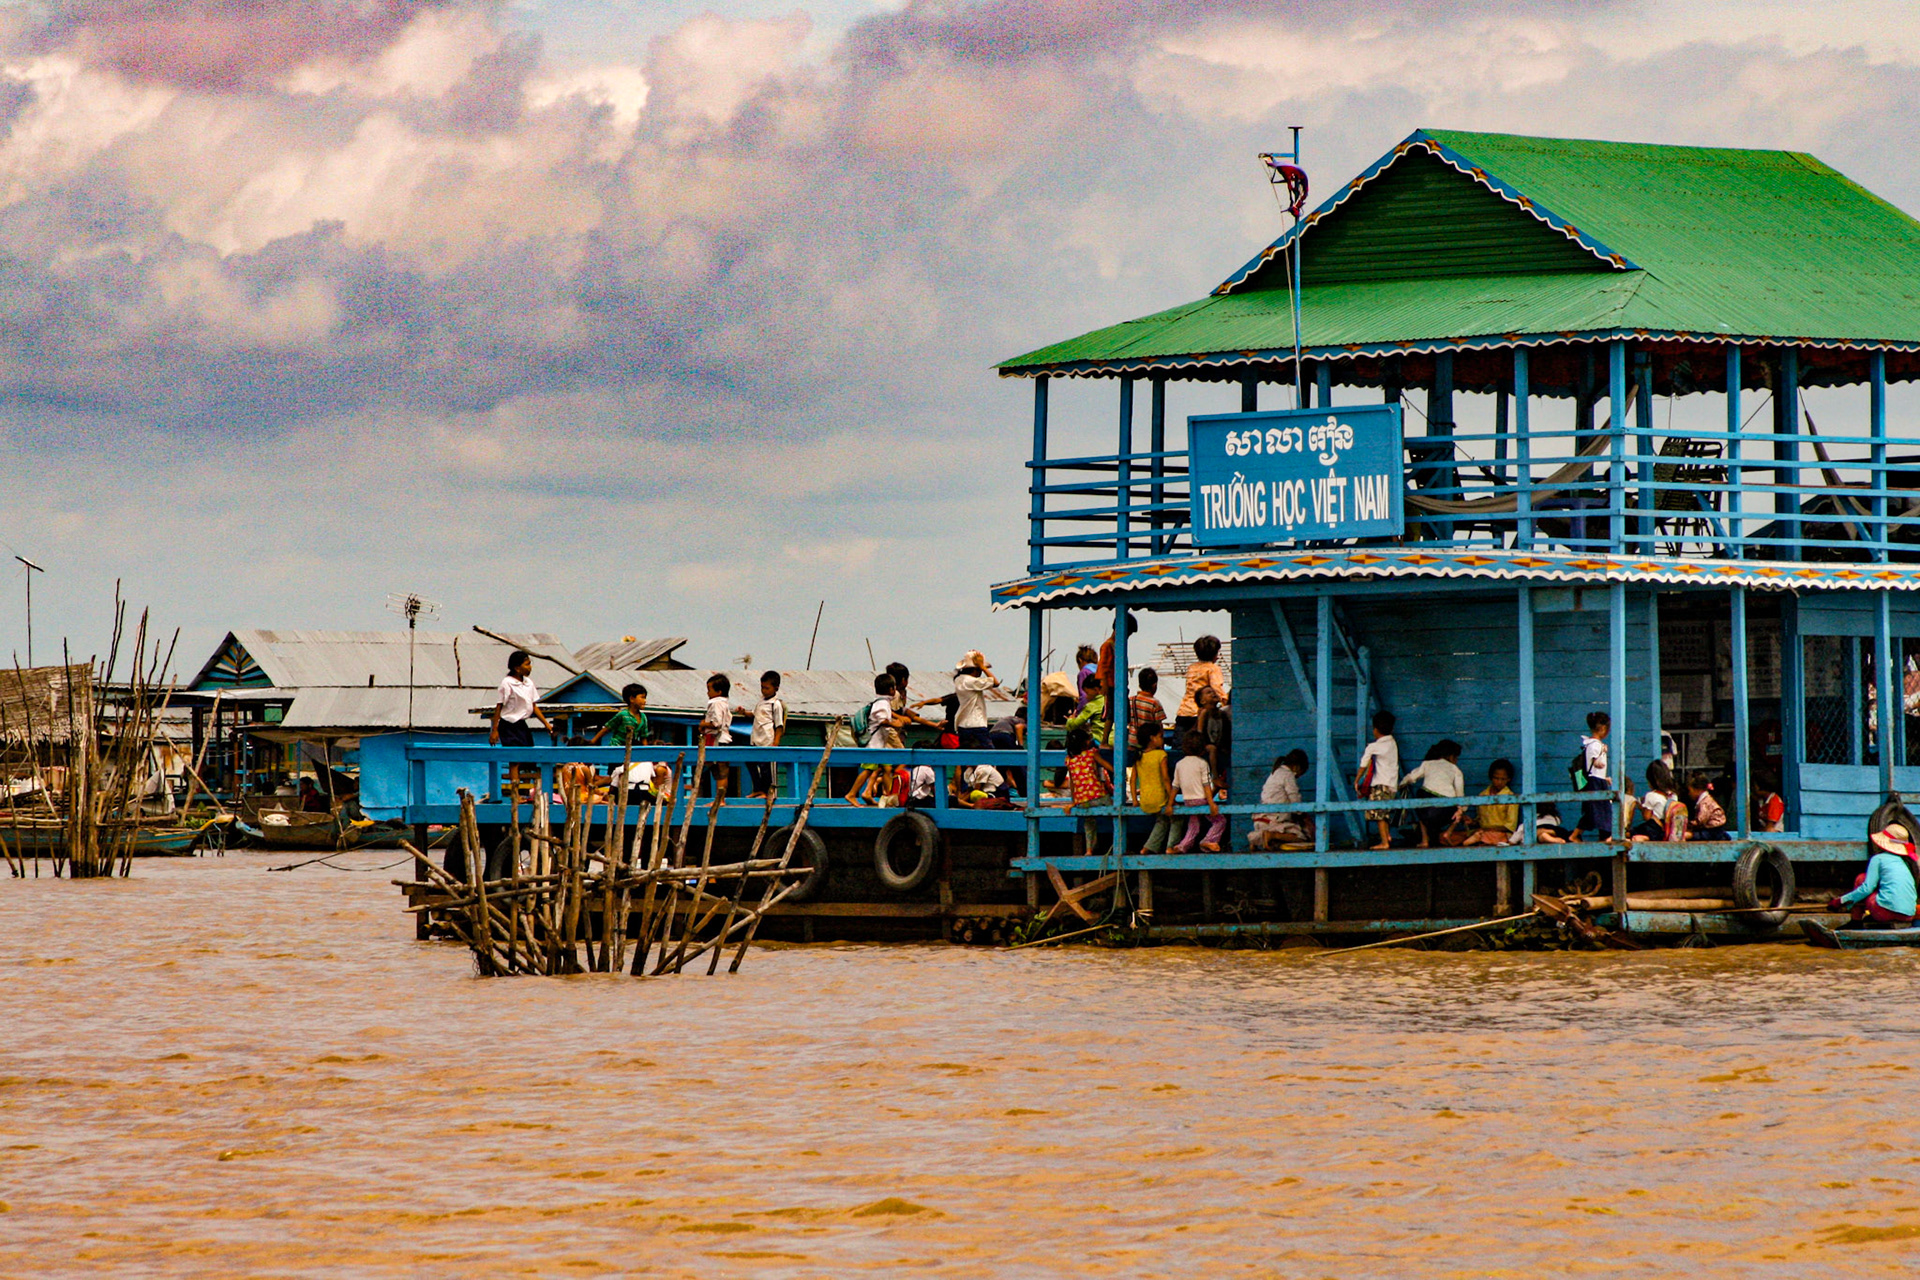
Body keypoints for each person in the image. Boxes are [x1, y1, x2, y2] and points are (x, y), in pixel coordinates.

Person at [1830, 821, 1920, 928]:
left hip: (1884, 912)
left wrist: (1840, 901)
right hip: (1908, 914)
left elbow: (1867, 889)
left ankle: (1856, 921)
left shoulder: (1878, 859)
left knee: (1861, 879)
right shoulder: (1904, 863)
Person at [490, 649, 553, 798]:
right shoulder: (507, 683)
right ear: (517, 668)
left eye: (530, 664)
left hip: (521, 725)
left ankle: (531, 792)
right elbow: (499, 706)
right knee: (515, 760)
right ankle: (515, 794)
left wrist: (547, 724)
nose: (530, 667)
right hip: (508, 724)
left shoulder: (528, 683)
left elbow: (534, 706)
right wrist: (495, 730)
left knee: (528, 757)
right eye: (527, 664)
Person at [846, 672, 898, 806]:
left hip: (880, 746)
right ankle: (851, 794)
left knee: (887, 769)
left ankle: (890, 797)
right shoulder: (882, 704)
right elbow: (883, 721)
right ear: (891, 689)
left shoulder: (881, 702)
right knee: (868, 770)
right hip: (874, 745)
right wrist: (895, 723)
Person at [1401, 739, 1464, 849]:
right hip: (1446, 810)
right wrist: (1460, 810)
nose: (1457, 760)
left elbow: (1411, 777)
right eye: (1456, 757)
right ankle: (1448, 833)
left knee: (1420, 802)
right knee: (1460, 810)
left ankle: (1425, 840)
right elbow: (1460, 795)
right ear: (1450, 756)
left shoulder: (1427, 764)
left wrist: (1400, 785)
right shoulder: (1456, 770)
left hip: (1427, 807)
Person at [1172, 730, 1225, 853]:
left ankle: (1182, 846)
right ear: (1202, 749)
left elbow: (1175, 785)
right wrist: (1211, 803)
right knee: (1220, 820)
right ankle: (1209, 840)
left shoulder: (1180, 764)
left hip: (1188, 801)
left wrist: (1170, 803)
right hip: (1201, 800)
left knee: (1193, 825)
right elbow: (1206, 785)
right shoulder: (1202, 763)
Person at [1064, 726, 1112, 857]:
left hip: (1082, 801)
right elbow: (1107, 766)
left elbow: (1073, 783)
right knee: (1115, 813)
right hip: (1098, 796)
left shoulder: (1070, 760)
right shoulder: (1091, 753)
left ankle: (1089, 850)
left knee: (1089, 824)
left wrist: (1074, 802)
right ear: (1085, 742)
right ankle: (1119, 843)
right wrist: (1118, 772)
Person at [1447, 758, 1517, 846]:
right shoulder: (1483, 795)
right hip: (1481, 832)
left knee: (1483, 836)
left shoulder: (1511, 797)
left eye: (1503, 779)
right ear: (1491, 777)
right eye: (1496, 778)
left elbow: (1510, 826)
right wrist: (1472, 822)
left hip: (1500, 835)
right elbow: (1480, 820)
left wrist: (1487, 829)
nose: (1499, 782)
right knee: (1448, 837)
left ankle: (1469, 843)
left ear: (1509, 779)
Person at [1355, 710, 1399, 851]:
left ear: (1375, 729)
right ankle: (1387, 836)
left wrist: (1357, 781)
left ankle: (1384, 842)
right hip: (1392, 784)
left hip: (1381, 784)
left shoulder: (1374, 747)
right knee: (1384, 813)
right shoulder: (1392, 743)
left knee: (1379, 815)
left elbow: (1363, 765)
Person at [1251, 749, 1310, 850]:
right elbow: (1295, 800)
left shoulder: (1276, 772)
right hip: (1273, 819)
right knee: (1301, 837)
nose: (1298, 777)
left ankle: (1254, 842)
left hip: (1260, 819)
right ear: (1297, 767)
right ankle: (1272, 836)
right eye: (1300, 773)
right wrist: (1303, 815)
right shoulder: (1288, 775)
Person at [1133, 721, 1176, 854]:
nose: (1162, 739)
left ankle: (1148, 847)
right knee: (1177, 819)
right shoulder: (1160, 755)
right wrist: (1171, 800)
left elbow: (1133, 779)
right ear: (1152, 738)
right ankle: (1170, 846)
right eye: (1160, 736)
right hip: (1160, 799)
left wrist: (1135, 800)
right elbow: (1165, 779)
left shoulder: (1139, 756)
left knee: (1162, 820)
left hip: (1145, 801)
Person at [1571, 711, 1612, 842]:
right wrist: (1601, 757)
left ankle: (1604, 836)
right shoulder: (1594, 745)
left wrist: (1604, 778)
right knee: (1600, 810)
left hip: (1598, 780)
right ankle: (1604, 836)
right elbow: (1595, 763)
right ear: (1603, 728)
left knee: (1598, 810)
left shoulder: (1591, 744)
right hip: (1595, 782)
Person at [1174, 635, 1227, 737]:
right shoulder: (1213, 669)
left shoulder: (1192, 668)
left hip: (1183, 712)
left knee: (1181, 746)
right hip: (1200, 713)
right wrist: (1227, 705)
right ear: (1214, 654)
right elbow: (1217, 689)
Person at [747, 670, 786, 799]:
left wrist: (776, 743)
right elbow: (754, 714)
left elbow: (779, 725)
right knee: (750, 762)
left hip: (767, 740)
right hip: (756, 739)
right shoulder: (761, 702)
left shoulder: (776, 704)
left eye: (767, 688)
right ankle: (758, 789)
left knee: (766, 768)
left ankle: (768, 792)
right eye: (762, 687)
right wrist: (743, 713)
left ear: (776, 688)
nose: (764, 690)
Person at [1630, 760, 1687, 843]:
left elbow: (1647, 817)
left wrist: (1641, 807)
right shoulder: (1673, 795)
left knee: (1632, 832)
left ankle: (1646, 838)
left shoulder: (1651, 795)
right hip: (1666, 829)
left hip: (1654, 828)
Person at [952, 651, 1000, 749]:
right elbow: (995, 683)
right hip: (976, 723)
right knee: (989, 754)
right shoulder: (971, 681)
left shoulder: (959, 680)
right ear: (976, 670)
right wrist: (983, 666)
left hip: (963, 724)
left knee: (967, 755)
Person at [698, 673, 735, 800]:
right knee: (720, 772)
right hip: (722, 738)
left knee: (721, 772)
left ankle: (720, 800)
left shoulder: (716, 703)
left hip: (718, 739)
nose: (708, 693)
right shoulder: (724, 703)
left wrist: (704, 723)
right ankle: (720, 799)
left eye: (709, 689)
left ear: (718, 691)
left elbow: (716, 723)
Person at [1096, 615, 1138, 724]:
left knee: (1123, 714)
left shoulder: (1118, 647)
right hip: (1110, 686)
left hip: (1119, 686)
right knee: (1110, 714)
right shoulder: (1107, 646)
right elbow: (1103, 667)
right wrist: (1104, 686)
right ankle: (1105, 739)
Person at [1198, 684, 1233, 806]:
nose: (1213, 693)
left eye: (1213, 691)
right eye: (1208, 692)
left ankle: (1211, 795)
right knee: (1212, 749)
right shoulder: (1204, 713)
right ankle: (1215, 777)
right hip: (1205, 745)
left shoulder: (1222, 714)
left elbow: (1226, 732)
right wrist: (1201, 745)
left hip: (1218, 746)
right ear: (1202, 701)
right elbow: (1200, 731)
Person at [592, 682, 651, 749]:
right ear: (632, 699)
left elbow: (643, 738)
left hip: (630, 748)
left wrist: (646, 751)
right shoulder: (623, 715)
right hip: (617, 747)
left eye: (645, 698)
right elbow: (607, 728)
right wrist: (592, 742)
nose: (645, 701)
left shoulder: (643, 717)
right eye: (642, 697)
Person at [1685, 771, 1730, 840]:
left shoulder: (1705, 803)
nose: (1689, 794)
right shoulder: (1705, 800)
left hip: (1713, 830)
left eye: (1690, 791)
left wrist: (1689, 824)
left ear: (1697, 790)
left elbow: (1701, 820)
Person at [1129, 667, 1166, 747]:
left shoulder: (1131, 700)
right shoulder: (1154, 703)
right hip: (1148, 744)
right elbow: (1159, 727)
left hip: (1132, 741)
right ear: (1154, 685)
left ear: (1139, 684)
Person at [1073, 645, 1100, 711]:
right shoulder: (1100, 671)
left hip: (1091, 711)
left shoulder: (1084, 673)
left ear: (1080, 660)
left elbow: (1084, 697)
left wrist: (1078, 714)